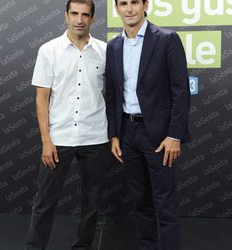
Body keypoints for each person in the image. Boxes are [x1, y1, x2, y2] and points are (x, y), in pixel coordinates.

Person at [105, 0, 190, 250]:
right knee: (140, 201)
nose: (129, 8)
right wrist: (114, 136)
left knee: (164, 202)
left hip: (159, 137)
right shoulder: (113, 46)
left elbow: (180, 91)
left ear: (145, 6)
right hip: (127, 134)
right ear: (117, 9)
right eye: (123, 3)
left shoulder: (166, 39)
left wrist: (175, 135)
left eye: (134, 3)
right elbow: (111, 95)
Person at [25, 1, 108, 249]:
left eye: (85, 14)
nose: (79, 19)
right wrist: (46, 140)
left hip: (95, 137)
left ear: (92, 18)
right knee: (45, 201)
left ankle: (83, 246)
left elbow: (113, 95)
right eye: (74, 14)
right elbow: (42, 97)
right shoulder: (48, 50)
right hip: (58, 138)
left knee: (92, 202)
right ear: (66, 16)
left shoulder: (105, 51)